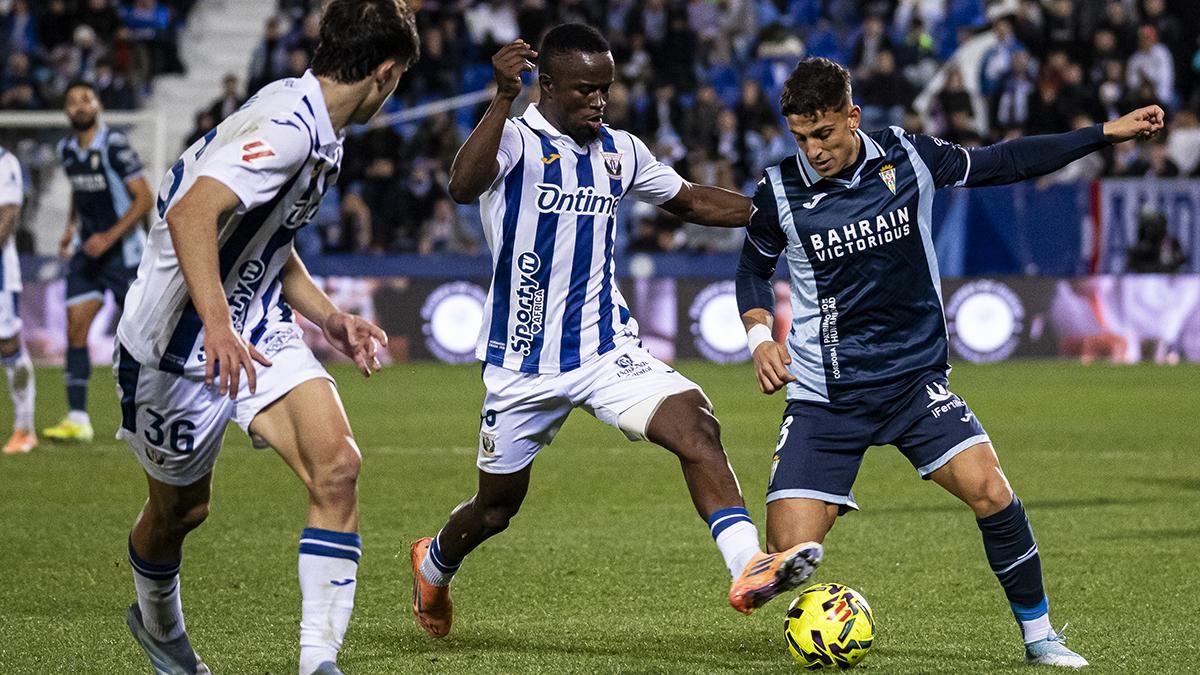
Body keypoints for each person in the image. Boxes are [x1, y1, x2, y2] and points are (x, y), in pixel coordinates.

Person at [735, 57, 1164, 668]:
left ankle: (1041, 638)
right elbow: (752, 269)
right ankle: (780, 564)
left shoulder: (908, 157)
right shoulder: (779, 190)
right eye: (801, 138)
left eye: (824, 133)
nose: (814, 150)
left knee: (992, 491)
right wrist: (760, 338)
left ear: (852, 117)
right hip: (827, 392)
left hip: (913, 382)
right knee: (790, 550)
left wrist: (1103, 133)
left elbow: (1003, 162)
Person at [408, 24, 822, 641]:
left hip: (606, 350)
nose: (599, 101)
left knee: (697, 427)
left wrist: (785, 211)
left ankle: (748, 566)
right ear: (545, 86)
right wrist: (500, 97)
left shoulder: (620, 150)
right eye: (584, 90)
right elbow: (462, 187)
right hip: (522, 363)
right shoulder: (517, 140)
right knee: (495, 509)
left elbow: (688, 200)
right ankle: (434, 562)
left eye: (605, 88)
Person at [115, 2, 418, 673]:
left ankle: (318, 662)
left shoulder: (311, 120)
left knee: (338, 465)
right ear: (386, 73)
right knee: (181, 512)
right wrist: (218, 324)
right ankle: (160, 628)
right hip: (173, 347)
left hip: (252, 323)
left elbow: (266, 241)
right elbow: (192, 213)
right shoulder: (288, 128)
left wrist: (330, 317)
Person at [43, 80, 153, 443]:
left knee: (143, 338)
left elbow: (144, 200)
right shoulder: (67, 150)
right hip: (87, 254)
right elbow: (79, 191)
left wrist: (109, 236)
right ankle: (77, 418)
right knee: (76, 329)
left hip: (124, 255)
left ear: (99, 105)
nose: (78, 106)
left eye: (85, 99)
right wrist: (70, 227)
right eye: (72, 101)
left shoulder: (115, 146)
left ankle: (148, 413)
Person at [0, 145, 36, 455]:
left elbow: (9, 215)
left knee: (7, 343)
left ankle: (24, 428)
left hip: (0, 273)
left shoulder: (5, 162)